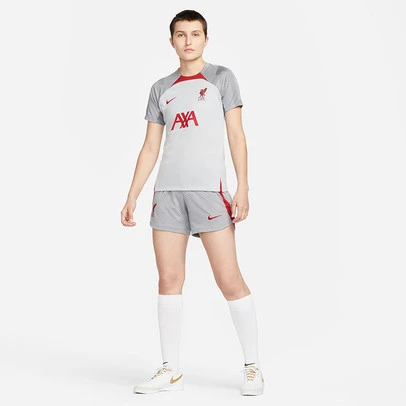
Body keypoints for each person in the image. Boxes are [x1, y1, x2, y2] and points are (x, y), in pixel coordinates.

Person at [120, 9, 264, 396]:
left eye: (195, 34)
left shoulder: (221, 79)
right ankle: (170, 369)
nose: (188, 41)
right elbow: (151, 146)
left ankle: (252, 367)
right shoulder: (160, 88)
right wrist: (133, 194)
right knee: (169, 280)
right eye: (181, 35)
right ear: (171, 41)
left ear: (205, 39)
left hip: (210, 193)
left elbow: (236, 135)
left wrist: (243, 187)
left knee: (229, 279)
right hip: (167, 194)